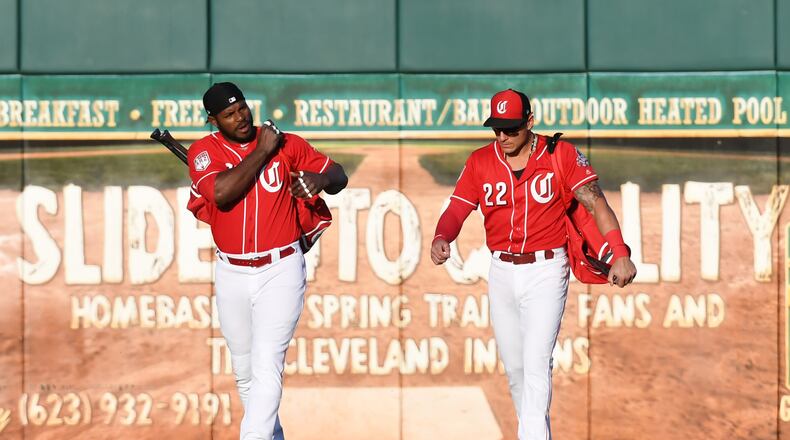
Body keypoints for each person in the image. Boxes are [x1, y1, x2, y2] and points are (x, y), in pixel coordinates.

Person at [430, 89, 637, 440]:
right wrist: (442, 236)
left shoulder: (561, 154)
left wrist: (619, 252)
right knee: (516, 370)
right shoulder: (481, 161)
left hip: (546, 269)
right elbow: (457, 208)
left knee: (538, 364)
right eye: (497, 128)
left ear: (530, 122)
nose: (502, 136)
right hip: (501, 272)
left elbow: (596, 204)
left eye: (511, 129)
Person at [186, 82, 348, 440]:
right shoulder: (204, 151)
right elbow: (222, 194)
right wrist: (261, 151)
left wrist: (320, 179)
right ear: (213, 120)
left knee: (266, 363)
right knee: (245, 371)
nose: (240, 117)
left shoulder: (287, 143)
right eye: (228, 114)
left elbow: (340, 175)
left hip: (281, 267)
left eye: (242, 107)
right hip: (231, 271)